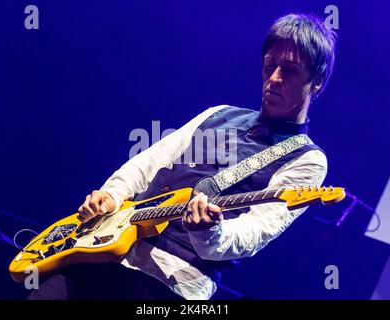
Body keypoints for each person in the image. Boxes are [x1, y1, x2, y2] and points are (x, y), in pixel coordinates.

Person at [28, 13, 336, 300]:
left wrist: (208, 231)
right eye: (270, 66)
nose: (275, 78)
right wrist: (110, 195)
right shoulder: (220, 114)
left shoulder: (307, 160)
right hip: (103, 250)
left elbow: (254, 233)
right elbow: (147, 164)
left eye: (290, 71)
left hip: (171, 283)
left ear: (317, 82)